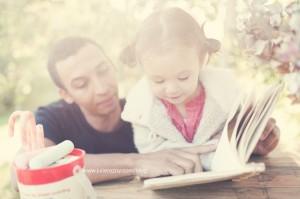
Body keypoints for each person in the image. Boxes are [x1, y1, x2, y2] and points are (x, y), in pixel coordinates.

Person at [8, 37, 217, 188]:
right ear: (66, 94)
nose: (102, 88)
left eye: (103, 70)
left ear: (113, 66)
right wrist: (135, 162)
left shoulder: (147, 111)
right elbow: (20, 174)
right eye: (81, 84)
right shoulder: (53, 118)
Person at [121, 7, 281, 170]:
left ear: (202, 60)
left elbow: (243, 137)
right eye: (158, 81)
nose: (171, 89)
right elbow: (149, 153)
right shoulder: (140, 109)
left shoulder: (227, 94)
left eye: (183, 77)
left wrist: (260, 141)